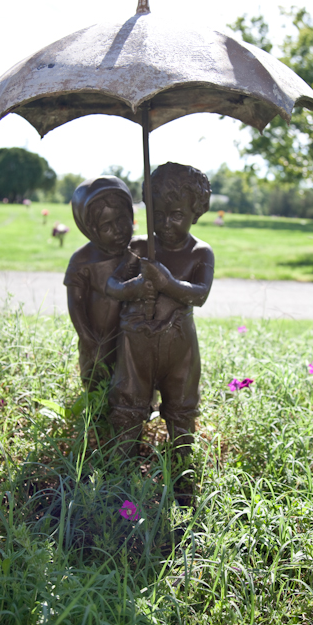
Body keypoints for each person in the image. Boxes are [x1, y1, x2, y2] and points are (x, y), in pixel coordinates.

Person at [106, 162, 214, 457]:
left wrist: (166, 282)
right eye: (158, 214)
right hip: (134, 342)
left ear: (197, 211)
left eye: (177, 215)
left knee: (181, 406)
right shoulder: (139, 248)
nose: (166, 223)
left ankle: (181, 469)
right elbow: (112, 284)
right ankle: (122, 467)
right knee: (128, 402)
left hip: (178, 346)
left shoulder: (199, 253)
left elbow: (201, 295)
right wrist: (135, 287)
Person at [64, 176, 137, 388]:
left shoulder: (139, 251)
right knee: (97, 374)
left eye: (122, 220)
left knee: (134, 375)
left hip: (133, 335)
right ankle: (97, 412)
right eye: (106, 227)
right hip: (98, 336)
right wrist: (86, 336)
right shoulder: (82, 261)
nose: (118, 230)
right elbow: (75, 303)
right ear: (91, 229)